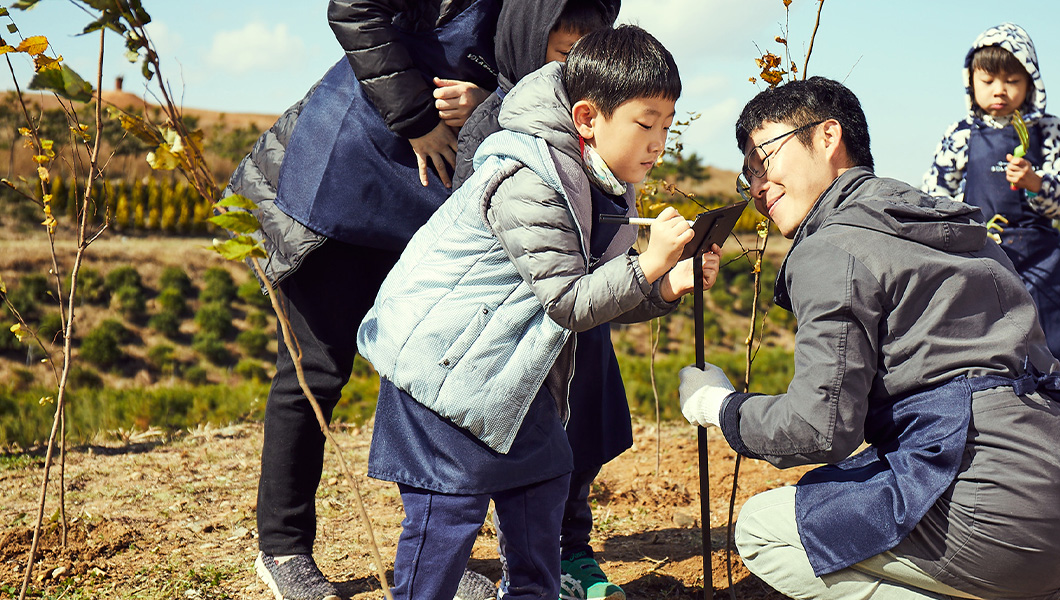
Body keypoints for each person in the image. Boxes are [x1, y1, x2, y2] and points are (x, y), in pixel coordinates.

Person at [678, 76, 1060, 599]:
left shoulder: (833, 247)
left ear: (828, 137)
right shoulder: (952, 226)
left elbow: (819, 429)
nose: (757, 186)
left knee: (763, 529)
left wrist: (720, 406)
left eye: (765, 158)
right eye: (747, 173)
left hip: (999, 517)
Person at [218, 1, 614, 598]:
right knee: (314, 370)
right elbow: (353, 8)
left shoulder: (551, 19)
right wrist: (417, 116)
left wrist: (490, 99)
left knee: (430, 366)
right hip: (348, 171)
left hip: (435, 194)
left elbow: (547, 67)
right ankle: (284, 549)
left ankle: (432, 555)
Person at [355, 25, 719, 600]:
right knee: (448, 516)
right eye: (645, 124)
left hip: (511, 371)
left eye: (667, 126)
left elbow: (597, 292)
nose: (658, 143)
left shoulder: (603, 177)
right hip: (447, 370)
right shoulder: (531, 177)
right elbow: (570, 302)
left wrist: (666, 284)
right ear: (586, 117)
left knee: (544, 484)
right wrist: (648, 264)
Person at [452, 3, 637, 599]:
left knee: (582, 433)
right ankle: (512, 564)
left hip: (585, 310)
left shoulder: (598, 126)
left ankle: (573, 549)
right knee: (523, 459)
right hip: (524, 320)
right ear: (529, 41)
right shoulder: (497, 122)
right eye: (563, 56)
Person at [921, 22, 1060, 429]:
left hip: (1046, 268)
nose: (999, 90)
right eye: (988, 80)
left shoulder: (1050, 132)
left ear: (1031, 82)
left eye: (1012, 80)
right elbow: (935, 198)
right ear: (970, 81)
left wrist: (1035, 182)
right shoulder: (959, 135)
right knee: (997, 369)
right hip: (985, 266)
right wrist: (969, 227)